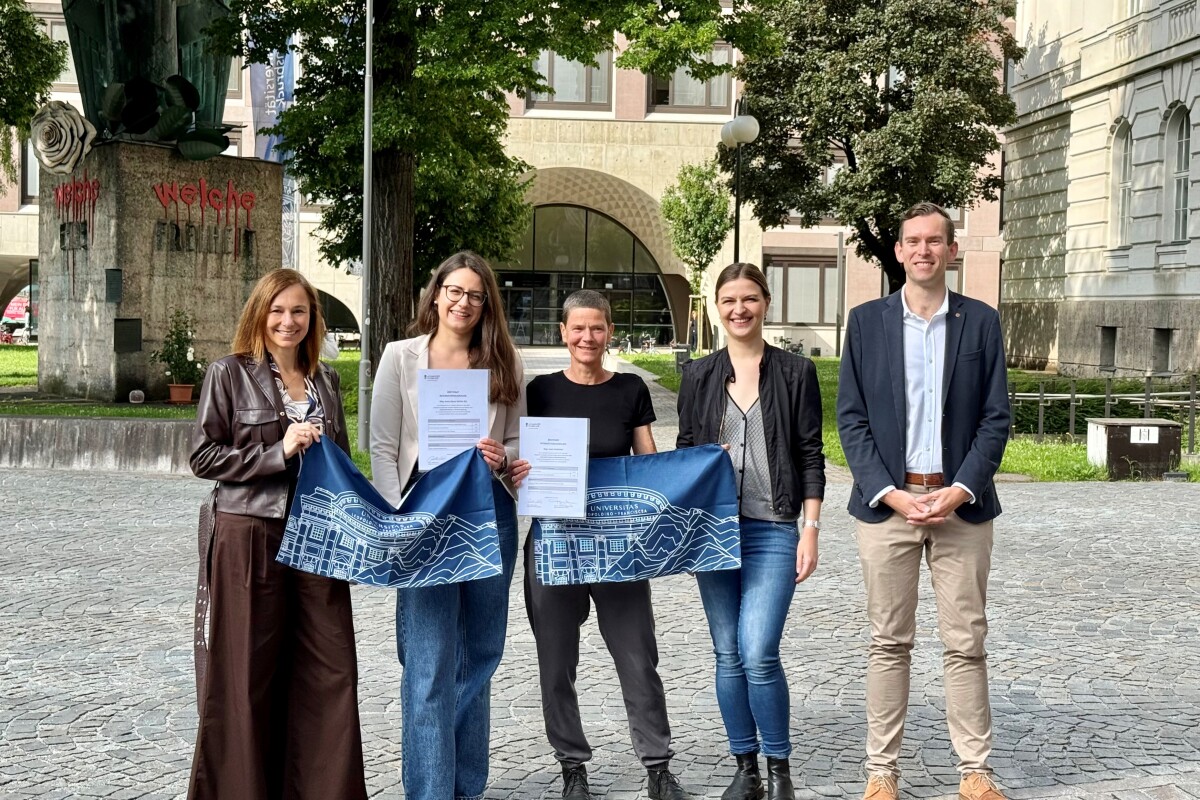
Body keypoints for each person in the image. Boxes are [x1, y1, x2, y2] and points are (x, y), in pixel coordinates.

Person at [836, 203, 1011, 800]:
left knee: (966, 641)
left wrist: (961, 489)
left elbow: (995, 420)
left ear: (951, 251)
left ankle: (975, 772)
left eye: (935, 241)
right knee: (889, 641)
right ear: (899, 250)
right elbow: (851, 421)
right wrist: (890, 494)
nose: (923, 251)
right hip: (889, 506)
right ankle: (881, 772)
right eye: (913, 241)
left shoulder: (981, 323)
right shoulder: (865, 323)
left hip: (961, 505)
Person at [188, 269, 366, 800]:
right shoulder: (228, 373)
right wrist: (278, 450)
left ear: (313, 319)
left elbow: (342, 463)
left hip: (319, 539)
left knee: (331, 668)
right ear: (260, 314)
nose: (288, 322)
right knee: (246, 673)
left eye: (299, 312)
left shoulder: (327, 382)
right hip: (249, 535)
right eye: (278, 311)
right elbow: (203, 455)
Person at [509, 289, 689, 800]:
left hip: (620, 545)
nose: (588, 337)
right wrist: (516, 475)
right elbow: (518, 466)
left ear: (610, 332)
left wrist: (695, 468)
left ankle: (657, 766)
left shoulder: (630, 389)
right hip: (555, 542)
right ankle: (572, 766)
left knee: (638, 657)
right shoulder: (538, 391)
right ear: (563, 333)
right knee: (556, 662)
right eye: (578, 328)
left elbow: (647, 464)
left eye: (598, 328)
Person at [369, 251, 525, 800]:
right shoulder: (400, 357)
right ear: (435, 295)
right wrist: (397, 520)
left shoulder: (503, 359)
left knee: (481, 655)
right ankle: (431, 791)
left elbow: (516, 444)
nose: (463, 302)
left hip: (488, 514)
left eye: (475, 295)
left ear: (486, 306)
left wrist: (503, 459)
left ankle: (466, 788)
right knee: (429, 663)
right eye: (454, 291)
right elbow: (383, 446)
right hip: (424, 516)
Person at [675, 263, 825, 800]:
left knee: (758, 649)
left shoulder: (794, 373)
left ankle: (780, 767)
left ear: (765, 302)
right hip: (714, 530)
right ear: (718, 307)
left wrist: (809, 529)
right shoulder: (697, 376)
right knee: (726, 652)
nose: (739, 309)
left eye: (749, 299)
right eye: (729, 300)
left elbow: (811, 455)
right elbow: (684, 453)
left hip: (775, 527)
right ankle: (747, 768)